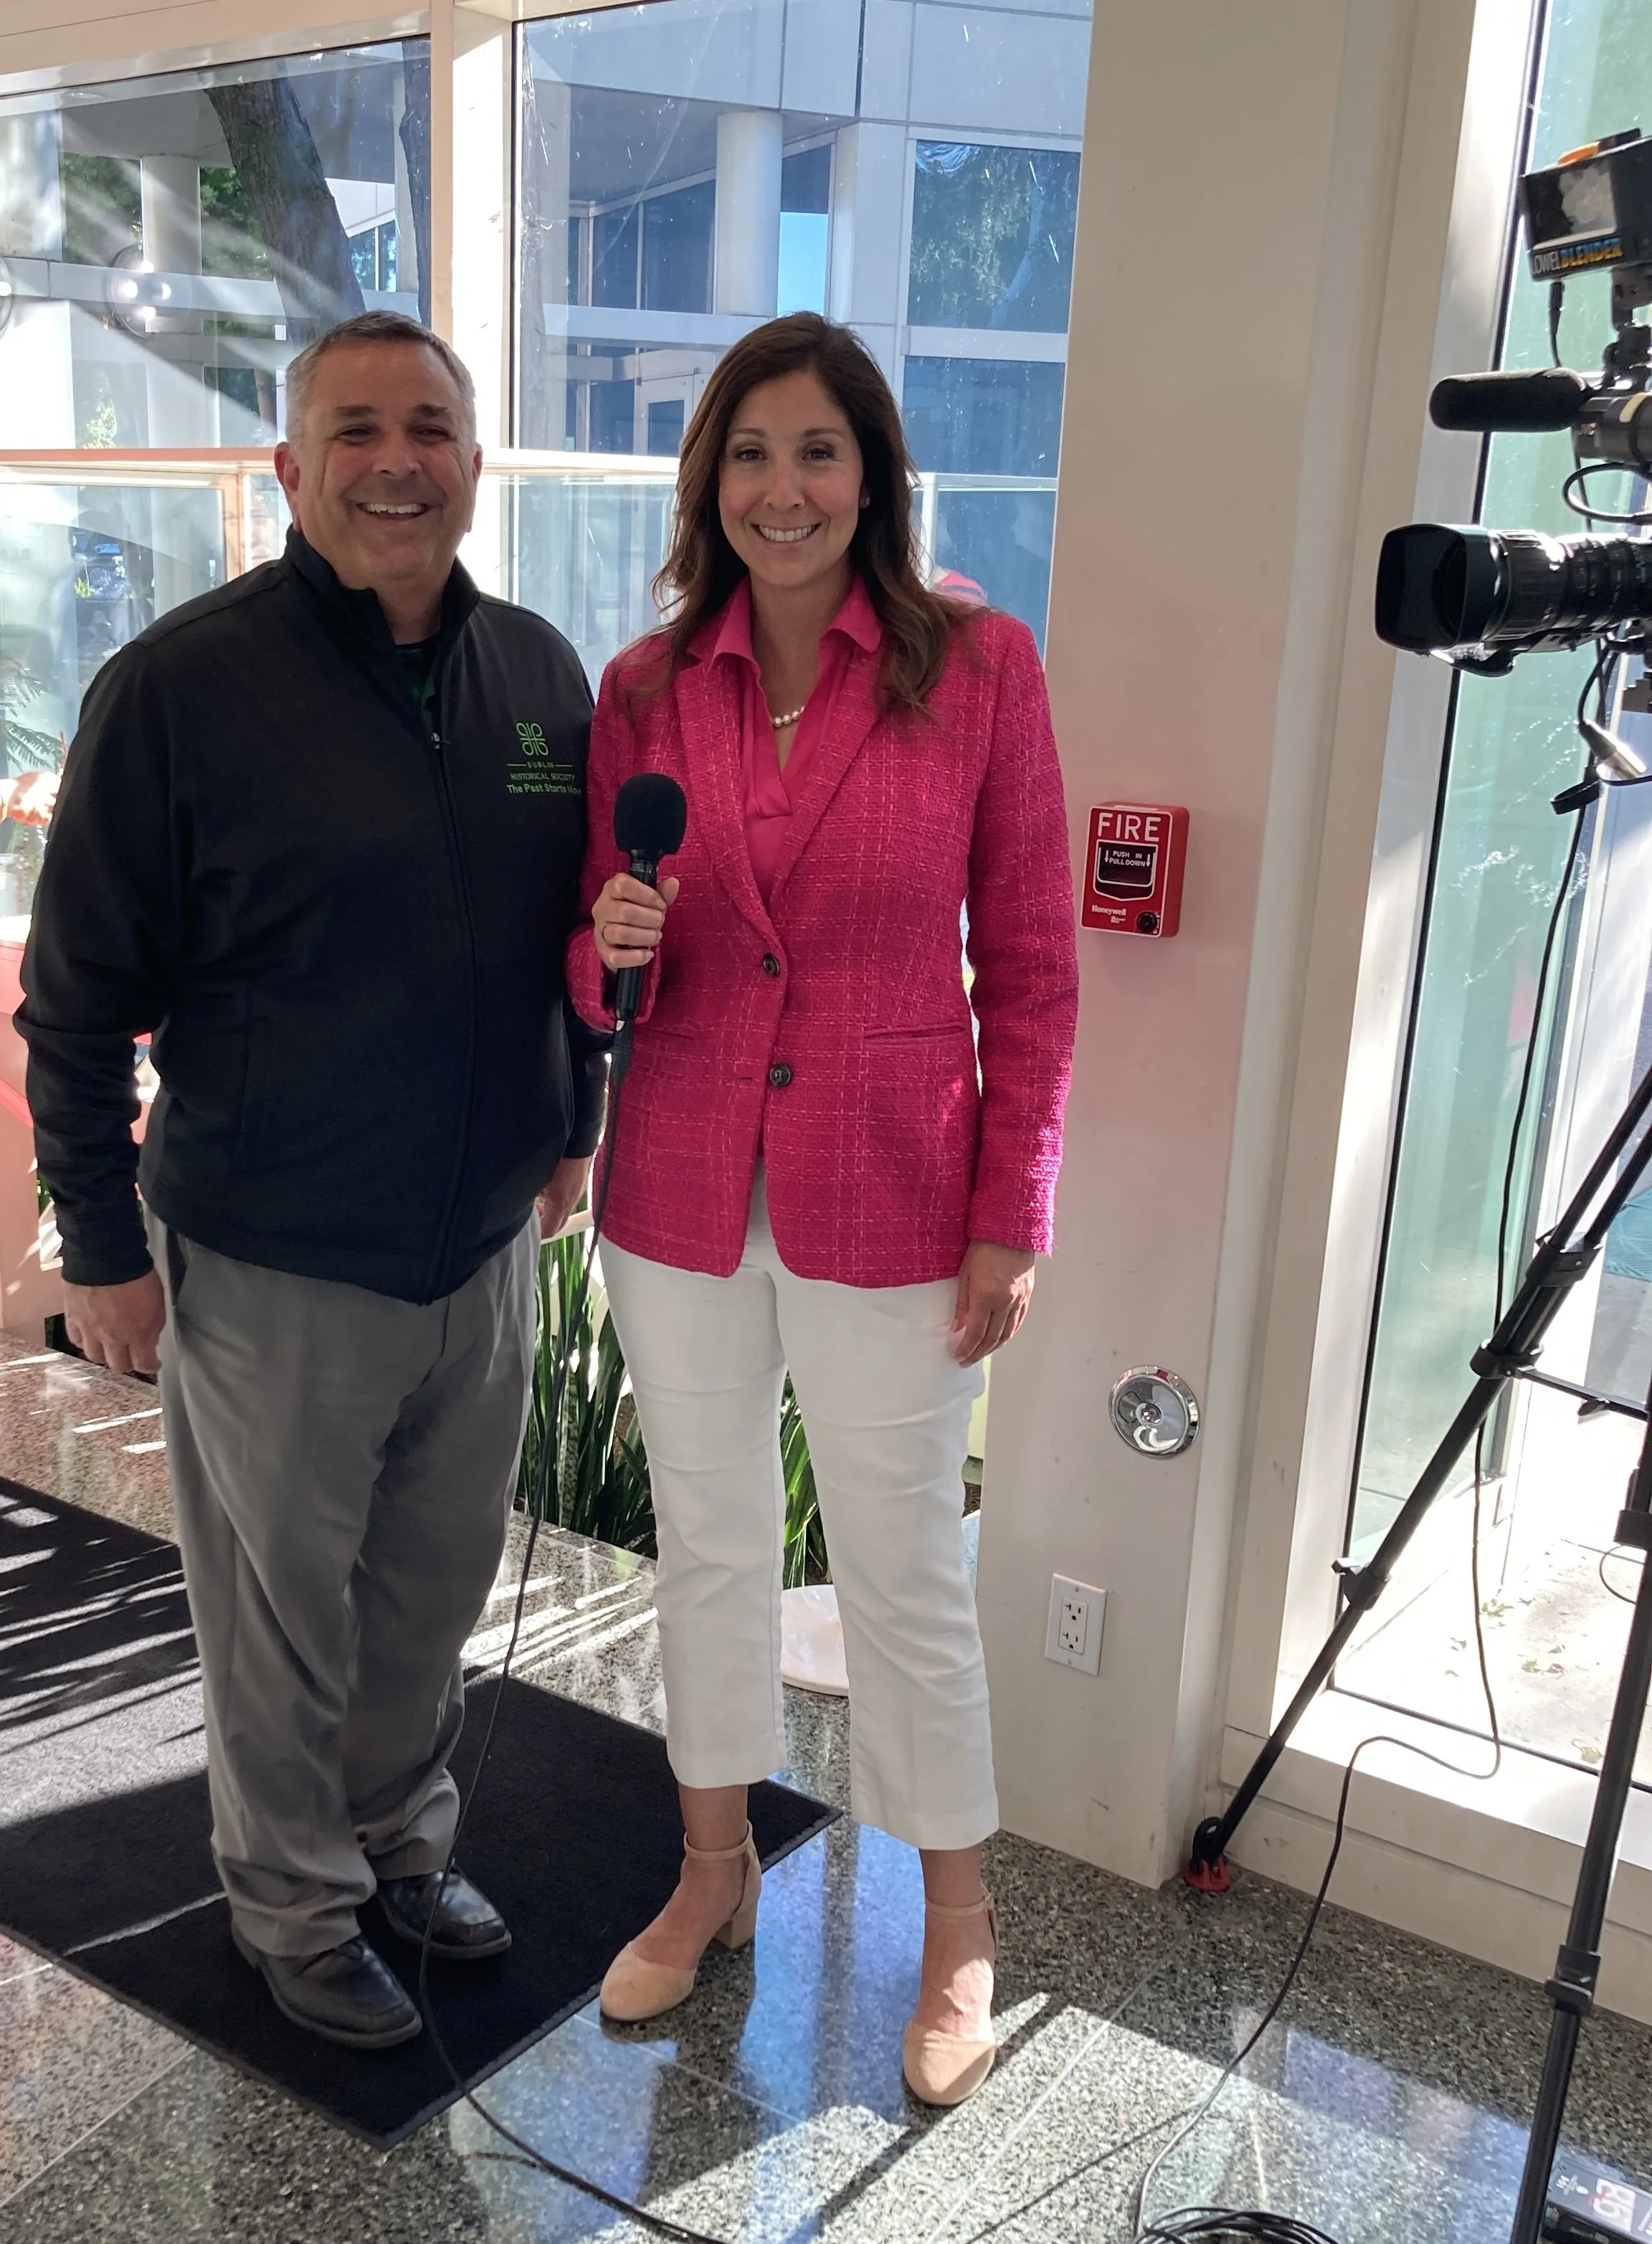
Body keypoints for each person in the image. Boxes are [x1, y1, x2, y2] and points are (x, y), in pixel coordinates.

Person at [18, 311, 603, 2052]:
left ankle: (399, 1845)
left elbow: (562, 933)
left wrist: (572, 1119)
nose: (395, 459)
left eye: (428, 426)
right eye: (354, 429)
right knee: (278, 1614)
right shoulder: (180, 690)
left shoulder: (537, 678)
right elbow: (77, 999)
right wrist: (101, 1242)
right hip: (275, 1250)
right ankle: (292, 1903)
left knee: (426, 1589)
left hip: (480, 1243)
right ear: (290, 468)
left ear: (475, 464)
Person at [567, 313, 1078, 2106]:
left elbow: (1034, 962)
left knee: (902, 1566)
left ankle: (956, 1925)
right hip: (683, 1183)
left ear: (872, 476)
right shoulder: (645, 688)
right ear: (708, 479)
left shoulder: (978, 667)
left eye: (817, 451)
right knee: (708, 1539)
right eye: (749, 452)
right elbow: (590, 956)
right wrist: (604, 944)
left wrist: (1015, 1205)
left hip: (897, 1184)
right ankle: (711, 1868)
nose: (781, 488)